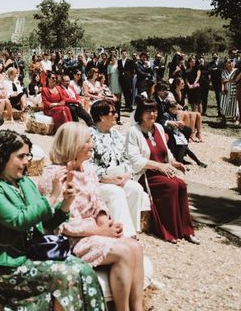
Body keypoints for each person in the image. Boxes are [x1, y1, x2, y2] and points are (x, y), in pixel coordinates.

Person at [0, 130, 106, 311]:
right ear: (2, 156)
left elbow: (46, 223)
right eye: (21, 156)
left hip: (34, 255)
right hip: (6, 266)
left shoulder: (25, 183)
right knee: (66, 275)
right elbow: (18, 221)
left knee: (83, 269)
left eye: (28, 155)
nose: (27, 161)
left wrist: (65, 205)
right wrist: (52, 197)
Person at [39, 122, 145, 311]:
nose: (93, 145)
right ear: (74, 144)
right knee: (124, 252)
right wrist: (101, 231)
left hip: (94, 231)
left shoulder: (86, 170)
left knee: (135, 246)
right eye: (88, 141)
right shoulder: (54, 175)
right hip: (70, 239)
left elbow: (99, 202)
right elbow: (62, 224)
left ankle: (138, 308)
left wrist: (105, 222)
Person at [125, 99, 198, 244]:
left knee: (181, 185)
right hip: (146, 173)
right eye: (148, 111)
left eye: (155, 111)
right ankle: (168, 230)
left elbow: (166, 151)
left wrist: (174, 163)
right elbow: (135, 161)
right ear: (140, 113)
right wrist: (160, 166)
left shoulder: (158, 127)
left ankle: (186, 230)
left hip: (162, 171)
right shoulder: (134, 131)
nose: (152, 114)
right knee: (170, 186)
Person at [89, 101, 149, 236]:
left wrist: (126, 175)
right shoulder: (89, 135)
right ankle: (124, 234)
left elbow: (126, 159)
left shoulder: (117, 135)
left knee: (136, 188)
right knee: (116, 192)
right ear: (101, 116)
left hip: (118, 178)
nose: (117, 115)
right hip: (98, 181)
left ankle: (132, 230)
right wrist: (106, 178)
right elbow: (86, 164)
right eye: (113, 112)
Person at [221, 59, 239, 124]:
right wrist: (222, 89)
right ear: (226, 65)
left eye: (231, 62)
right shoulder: (224, 71)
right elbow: (222, 81)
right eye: (228, 63)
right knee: (223, 103)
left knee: (235, 104)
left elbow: (236, 80)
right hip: (226, 89)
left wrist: (227, 80)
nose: (230, 64)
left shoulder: (236, 71)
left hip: (234, 89)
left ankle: (236, 118)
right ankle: (223, 118)